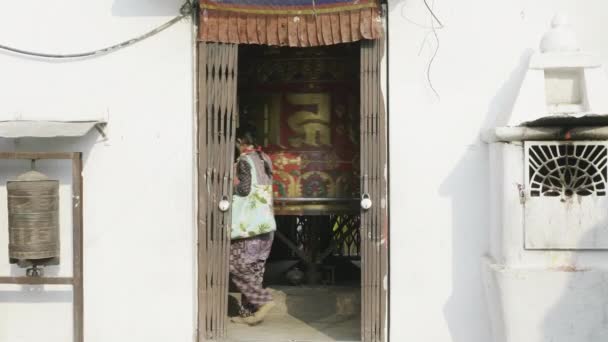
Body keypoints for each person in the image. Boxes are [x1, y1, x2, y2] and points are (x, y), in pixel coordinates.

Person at [229, 126, 276, 325]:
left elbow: (244, 190)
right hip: (266, 224)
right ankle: (249, 315)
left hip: (248, 227)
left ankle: (264, 301)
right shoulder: (265, 158)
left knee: (235, 264)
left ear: (240, 141)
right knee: (255, 270)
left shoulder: (244, 161)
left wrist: (230, 182)